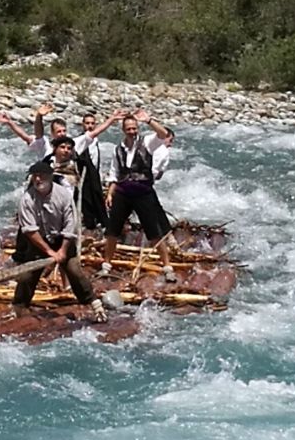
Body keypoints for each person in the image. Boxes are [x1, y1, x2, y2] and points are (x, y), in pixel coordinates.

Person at [11, 159, 107, 321]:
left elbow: (71, 224)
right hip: (39, 240)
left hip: (62, 238)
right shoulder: (27, 199)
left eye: (41, 176)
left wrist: (62, 250)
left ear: (50, 177)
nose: (37, 180)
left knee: (74, 271)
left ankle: (94, 304)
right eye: (34, 176)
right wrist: (49, 252)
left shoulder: (63, 195)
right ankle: (19, 307)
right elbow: (29, 230)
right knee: (27, 276)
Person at [100, 108, 174, 269]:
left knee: (153, 232)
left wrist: (149, 120)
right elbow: (115, 174)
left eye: (134, 128)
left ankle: (167, 266)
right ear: (123, 130)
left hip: (143, 193)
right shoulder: (118, 149)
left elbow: (162, 134)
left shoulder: (147, 142)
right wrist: (110, 194)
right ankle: (107, 264)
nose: (132, 132)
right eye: (129, 129)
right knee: (112, 231)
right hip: (123, 193)